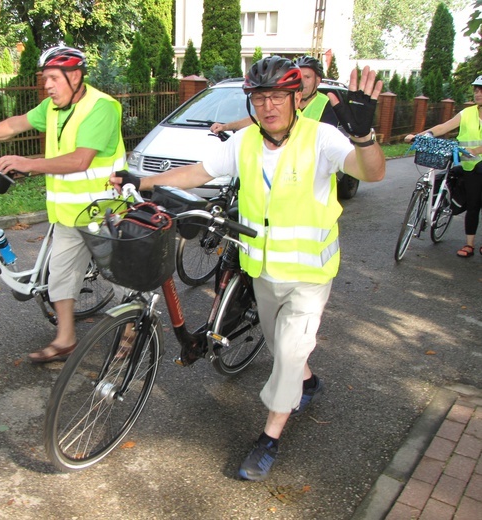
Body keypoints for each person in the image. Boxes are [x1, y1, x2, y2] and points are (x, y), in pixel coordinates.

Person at [111, 56, 386, 481]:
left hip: (311, 273)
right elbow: (200, 171)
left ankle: (269, 438)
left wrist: (364, 136)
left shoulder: (323, 137)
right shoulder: (245, 143)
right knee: (281, 345)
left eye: (277, 96)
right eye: (259, 98)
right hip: (263, 268)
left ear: (296, 97)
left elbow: (373, 172)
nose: (268, 106)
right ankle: (308, 384)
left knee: (291, 350)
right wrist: (141, 180)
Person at [0, 46, 126, 363]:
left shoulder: (101, 107)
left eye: (54, 78)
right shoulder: (54, 108)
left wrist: (28, 163)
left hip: (103, 211)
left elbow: (80, 160)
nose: (48, 86)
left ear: (74, 77)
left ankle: (132, 331)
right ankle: (65, 339)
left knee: (120, 275)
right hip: (69, 213)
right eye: (46, 79)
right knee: (60, 276)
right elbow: (15, 124)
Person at [405, 75, 482, 258]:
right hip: (470, 167)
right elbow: (443, 127)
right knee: (473, 204)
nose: (478, 93)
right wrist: (421, 135)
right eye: (476, 89)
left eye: (481, 90)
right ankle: (469, 244)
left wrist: (476, 150)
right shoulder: (467, 113)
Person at [210, 54, 338, 134]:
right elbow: (256, 119)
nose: (302, 82)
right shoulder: (284, 100)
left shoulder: (327, 105)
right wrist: (225, 126)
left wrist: (358, 140)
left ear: (318, 80)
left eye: (307, 77)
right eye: (299, 77)